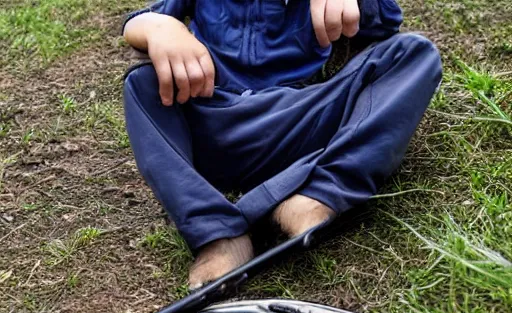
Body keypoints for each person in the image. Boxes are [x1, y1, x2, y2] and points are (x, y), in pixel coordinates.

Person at [122, 0, 442, 289]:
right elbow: (138, 21)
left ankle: (319, 194)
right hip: (210, 120)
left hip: (298, 122)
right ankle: (218, 233)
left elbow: (385, 18)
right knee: (141, 83)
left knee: (413, 53)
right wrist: (160, 26)